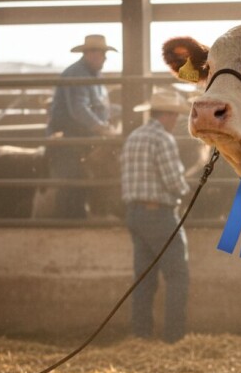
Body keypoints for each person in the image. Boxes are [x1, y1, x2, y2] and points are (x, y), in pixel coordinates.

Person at [120, 90, 192, 343]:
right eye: (175, 115)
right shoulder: (163, 140)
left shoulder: (134, 137)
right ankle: (173, 337)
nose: (176, 121)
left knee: (144, 277)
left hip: (135, 213)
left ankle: (141, 334)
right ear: (168, 115)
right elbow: (174, 182)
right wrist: (186, 189)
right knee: (177, 275)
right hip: (159, 214)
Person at [45, 34, 117, 218]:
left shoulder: (93, 75)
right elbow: (79, 109)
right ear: (90, 54)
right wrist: (103, 129)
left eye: (103, 54)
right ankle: (69, 221)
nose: (104, 58)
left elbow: (99, 107)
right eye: (101, 54)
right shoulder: (77, 74)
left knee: (84, 179)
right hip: (69, 138)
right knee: (72, 180)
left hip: (83, 139)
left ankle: (81, 217)